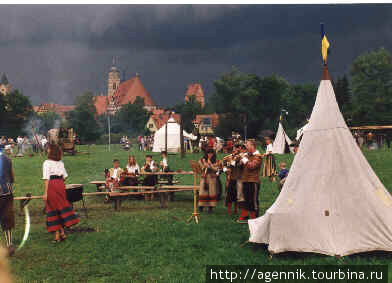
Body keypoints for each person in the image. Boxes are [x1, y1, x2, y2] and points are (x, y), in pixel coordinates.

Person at [43, 144, 80, 243]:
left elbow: (46, 179)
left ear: (52, 151)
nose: (47, 151)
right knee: (59, 208)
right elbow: (64, 177)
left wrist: (45, 193)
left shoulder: (46, 163)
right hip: (61, 185)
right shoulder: (61, 163)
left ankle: (57, 236)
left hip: (52, 185)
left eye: (49, 149)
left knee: (52, 209)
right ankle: (62, 233)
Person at [237, 140, 264, 223]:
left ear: (252, 146)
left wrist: (244, 159)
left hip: (253, 181)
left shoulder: (258, 156)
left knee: (253, 200)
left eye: (247, 145)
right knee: (246, 199)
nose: (246, 147)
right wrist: (240, 161)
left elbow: (251, 166)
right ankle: (245, 216)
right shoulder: (247, 155)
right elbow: (240, 166)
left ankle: (254, 218)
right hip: (245, 180)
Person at [0, 146, 15, 256]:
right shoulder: (7, 159)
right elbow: (12, 177)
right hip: (7, 191)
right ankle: (9, 244)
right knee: (6, 217)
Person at [222, 144, 241, 215]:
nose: (236, 150)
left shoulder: (241, 157)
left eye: (238, 149)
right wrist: (225, 170)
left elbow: (233, 164)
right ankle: (229, 210)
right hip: (231, 178)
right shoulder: (228, 157)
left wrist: (233, 161)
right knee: (229, 195)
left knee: (237, 195)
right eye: (235, 149)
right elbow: (222, 165)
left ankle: (236, 209)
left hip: (239, 178)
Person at [199, 149, 219, 213]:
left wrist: (210, 165)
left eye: (211, 153)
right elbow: (199, 167)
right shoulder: (202, 160)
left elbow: (217, 169)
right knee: (203, 192)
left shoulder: (216, 161)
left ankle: (210, 208)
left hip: (212, 178)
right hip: (204, 178)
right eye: (208, 153)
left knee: (211, 192)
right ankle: (201, 207)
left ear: (213, 154)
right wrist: (203, 165)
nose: (209, 155)